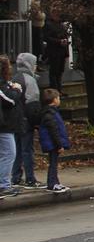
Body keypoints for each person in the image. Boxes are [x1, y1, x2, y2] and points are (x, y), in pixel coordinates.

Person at [11, 53, 42, 189]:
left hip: (14, 120)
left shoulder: (14, 78)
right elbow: (32, 104)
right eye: (34, 64)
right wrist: (36, 122)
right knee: (27, 150)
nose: (36, 66)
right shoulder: (30, 80)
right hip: (26, 121)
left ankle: (16, 177)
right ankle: (30, 179)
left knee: (16, 149)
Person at [0, 55, 25, 198]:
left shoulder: (5, 83)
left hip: (7, 124)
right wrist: (17, 90)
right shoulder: (3, 84)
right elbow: (9, 100)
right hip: (4, 126)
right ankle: (3, 184)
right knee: (9, 153)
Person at [38, 89, 70, 193]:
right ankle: (52, 183)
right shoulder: (50, 114)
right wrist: (59, 144)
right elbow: (54, 131)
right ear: (54, 100)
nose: (59, 100)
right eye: (58, 98)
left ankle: (55, 182)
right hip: (53, 143)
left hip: (52, 143)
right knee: (53, 163)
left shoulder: (51, 112)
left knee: (54, 163)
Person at [42, 12, 70, 94]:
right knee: (54, 71)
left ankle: (59, 89)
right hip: (53, 51)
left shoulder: (61, 24)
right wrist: (59, 41)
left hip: (62, 51)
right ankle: (54, 90)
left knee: (60, 71)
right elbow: (47, 37)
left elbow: (65, 36)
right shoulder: (48, 24)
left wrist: (66, 50)